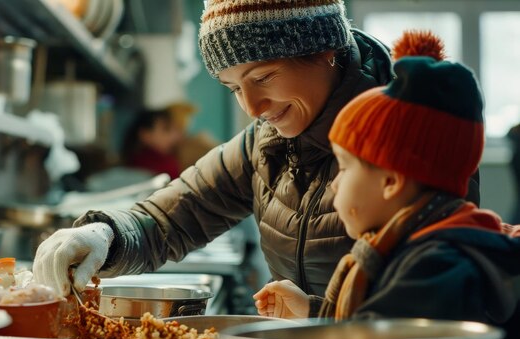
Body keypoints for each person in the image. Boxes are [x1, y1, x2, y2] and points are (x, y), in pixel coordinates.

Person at [32, 1, 478, 314]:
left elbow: (428, 314)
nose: (252, 107)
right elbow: (175, 214)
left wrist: (318, 319)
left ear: (324, 51)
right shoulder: (264, 142)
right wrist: (107, 233)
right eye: (233, 87)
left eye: (263, 76)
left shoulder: (415, 137)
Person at [252, 31, 520, 339]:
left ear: (391, 181)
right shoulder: (424, 247)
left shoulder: (433, 268)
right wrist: (312, 311)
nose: (335, 183)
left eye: (345, 167)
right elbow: (371, 326)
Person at [122, 108, 184, 179]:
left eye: (176, 129)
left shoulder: (172, 159)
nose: (175, 136)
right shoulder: (145, 168)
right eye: (166, 129)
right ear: (146, 135)